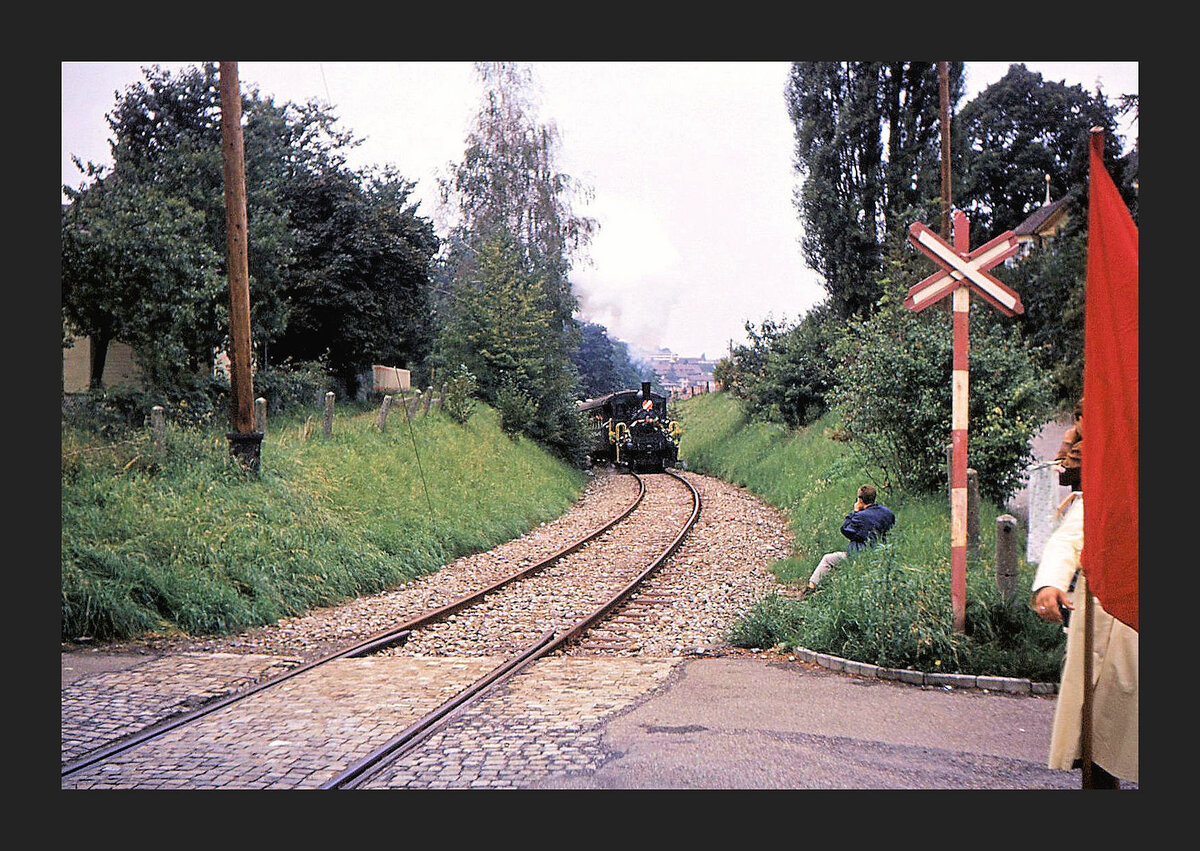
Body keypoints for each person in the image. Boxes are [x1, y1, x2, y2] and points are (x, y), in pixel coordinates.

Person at [1031, 409, 1138, 788]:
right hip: (1115, 626)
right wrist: (1050, 583)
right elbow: (1072, 534)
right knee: (1101, 743)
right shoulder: (1118, 482)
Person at [798, 484, 895, 599]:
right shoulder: (887, 513)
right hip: (881, 556)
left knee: (828, 559)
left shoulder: (860, 517)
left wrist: (854, 511)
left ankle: (811, 589)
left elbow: (845, 529)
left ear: (860, 499)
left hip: (858, 556)